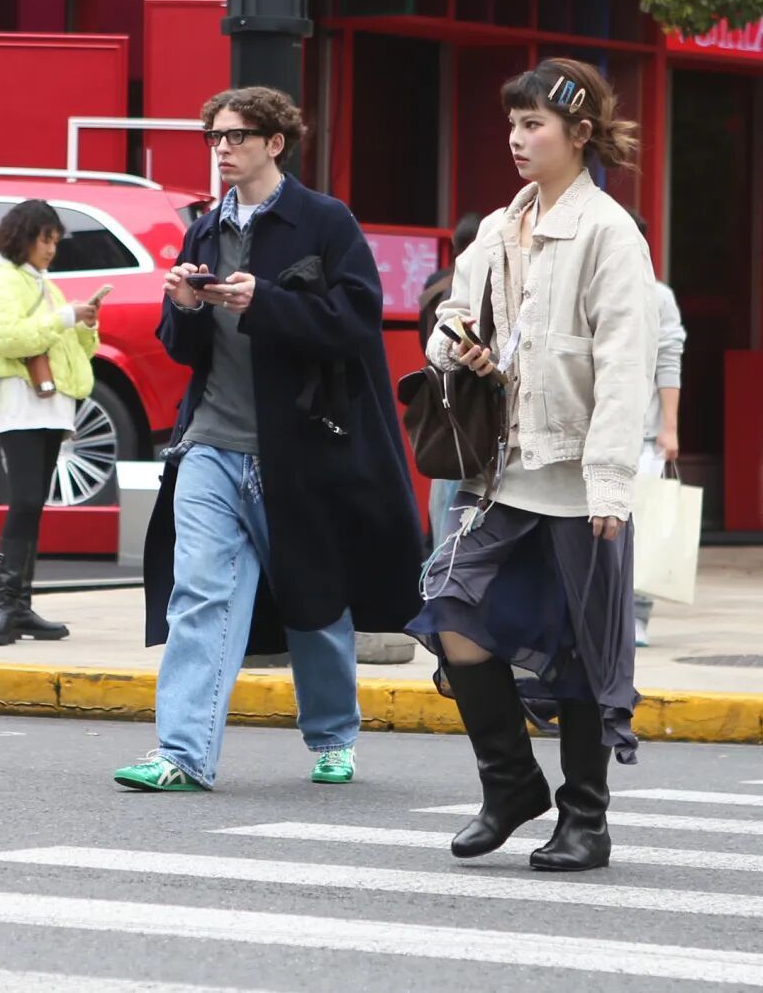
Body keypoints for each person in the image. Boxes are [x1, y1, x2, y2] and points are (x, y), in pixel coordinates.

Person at [114, 86, 424, 792]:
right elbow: (183, 349)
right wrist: (184, 306)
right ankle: (182, 754)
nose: (223, 149)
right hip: (210, 441)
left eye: (238, 136)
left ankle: (333, 736)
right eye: (215, 137)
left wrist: (267, 302)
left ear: (275, 143)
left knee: (315, 602)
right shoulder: (203, 230)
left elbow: (356, 324)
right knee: (199, 595)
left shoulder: (324, 221)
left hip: (301, 451)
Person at [408, 57, 657, 873]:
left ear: (578, 134)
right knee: (449, 608)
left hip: (580, 480)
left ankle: (585, 820)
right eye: (512, 124)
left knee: (583, 648)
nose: (515, 139)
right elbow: (450, 319)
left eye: (532, 125)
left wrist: (612, 484)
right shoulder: (496, 229)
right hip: (500, 475)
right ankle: (512, 784)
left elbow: (625, 364)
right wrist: (460, 348)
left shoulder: (609, 233)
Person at [0, 199, 101, 646]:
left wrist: (85, 324)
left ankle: (19, 607)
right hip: (20, 403)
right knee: (25, 500)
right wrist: (65, 317)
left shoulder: (44, 283)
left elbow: (75, 350)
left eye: (55, 242)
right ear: (23, 236)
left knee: (32, 504)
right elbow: (7, 338)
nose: (51, 249)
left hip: (50, 403)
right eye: (45, 239)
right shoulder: (1, 280)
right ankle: (6, 608)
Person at [627, 208, 687, 648]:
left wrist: (670, 428)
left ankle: (636, 617)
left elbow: (669, 359)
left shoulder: (658, 296)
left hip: (643, 434)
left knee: (643, 530)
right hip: (589, 434)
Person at [417, 211, 481, 551]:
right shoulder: (470, 291)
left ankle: (436, 565)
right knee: (459, 503)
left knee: (441, 502)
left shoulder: (435, 285)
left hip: (439, 405)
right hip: (469, 408)